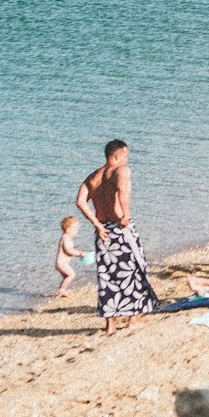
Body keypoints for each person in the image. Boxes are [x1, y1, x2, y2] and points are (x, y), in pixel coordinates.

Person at [75, 139, 159, 333]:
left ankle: (110, 324)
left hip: (102, 230)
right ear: (116, 155)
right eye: (126, 155)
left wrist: (96, 224)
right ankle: (134, 318)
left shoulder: (93, 176)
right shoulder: (122, 171)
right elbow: (123, 193)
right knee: (134, 270)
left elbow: (80, 201)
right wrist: (126, 217)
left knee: (107, 276)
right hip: (120, 228)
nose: (127, 159)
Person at [54, 216, 87, 298]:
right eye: (75, 229)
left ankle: (61, 291)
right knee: (71, 275)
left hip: (62, 263)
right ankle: (62, 290)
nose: (77, 232)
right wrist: (79, 253)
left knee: (66, 277)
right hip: (62, 263)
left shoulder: (66, 237)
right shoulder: (66, 238)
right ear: (68, 230)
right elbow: (69, 250)